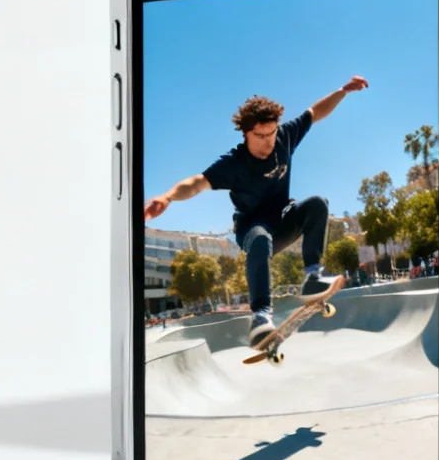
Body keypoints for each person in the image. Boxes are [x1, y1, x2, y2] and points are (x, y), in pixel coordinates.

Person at [143, 78, 370, 347]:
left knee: (318, 203)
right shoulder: (234, 163)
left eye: (271, 133)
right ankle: (260, 316)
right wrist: (168, 197)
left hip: (283, 222)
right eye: (260, 136)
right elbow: (197, 183)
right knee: (261, 238)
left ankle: (312, 277)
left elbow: (314, 112)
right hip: (251, 230)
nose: (268, 141)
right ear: (246, 134)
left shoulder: (284, 137)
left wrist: (343, 91)